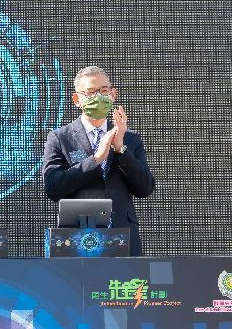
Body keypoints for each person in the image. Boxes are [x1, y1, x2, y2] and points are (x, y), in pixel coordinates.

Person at [43, 66, 154, 256]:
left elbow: (145, 188)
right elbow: (53, 187)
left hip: (123, 237)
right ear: (77, 99)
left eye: (104, 91)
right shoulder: (60, 138)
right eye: (91, 92)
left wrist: (121, 149)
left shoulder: (130, 139)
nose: (99, 97)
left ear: (113, 94)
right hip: (77, 238)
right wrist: (96, 159)